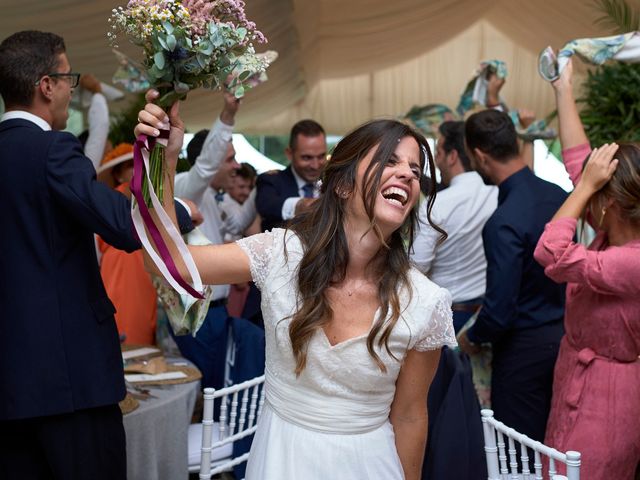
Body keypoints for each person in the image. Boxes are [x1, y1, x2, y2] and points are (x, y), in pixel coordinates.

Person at [136, 94, 457, 479]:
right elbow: (167, 262)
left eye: (415, 169)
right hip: (280, 460)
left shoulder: (424, 302)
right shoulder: (280, 255)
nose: (407, 173)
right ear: (341, 186)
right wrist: (166, 160)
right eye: (389, 160)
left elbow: (409, 417)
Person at [0, 30, 137, 479]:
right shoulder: (54, 150)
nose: (68, 91)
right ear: (46, 85)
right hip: (69, 380)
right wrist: (179, 210)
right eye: (67, 78)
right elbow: (122, 225)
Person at [534, 58, 640, 479]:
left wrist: (584, 187)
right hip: (573, 378)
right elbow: (579, 157)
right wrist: (563, 88)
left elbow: (550, 251)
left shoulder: (632, 260)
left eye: (594, 193)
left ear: (607, 203)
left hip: (612, 397)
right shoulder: (609, 228)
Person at [457, 109, 567, 444]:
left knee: (519, 450)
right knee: (557, 443)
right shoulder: (559, 196)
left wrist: (472, 337)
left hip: (523, 352)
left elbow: (500, 309)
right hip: (566, 338)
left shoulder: (503, 221)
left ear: (479, 155)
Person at [411, 121, 498, 332]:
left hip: (446, 313)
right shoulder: (497, 194)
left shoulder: (436, 204)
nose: (437, 160)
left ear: (452, 156)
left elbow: (416, 266)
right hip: (485, 312)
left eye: (439, 152)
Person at [255, 119, 327, 231]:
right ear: (289, 154)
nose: (315, 165)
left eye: (321, 156)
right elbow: (266, 206)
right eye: (307, 158)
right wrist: (300, 205)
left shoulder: (332, 182)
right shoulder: (272, 181)